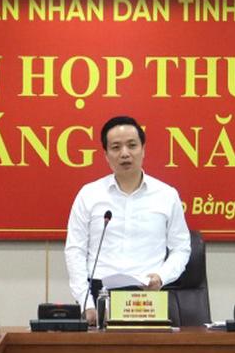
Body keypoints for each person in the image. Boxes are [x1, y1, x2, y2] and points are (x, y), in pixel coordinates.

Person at [64, 116, 191, 326]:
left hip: (148, 295)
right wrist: (87, 303)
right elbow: (75, 251)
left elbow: (181, 248)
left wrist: (161, 276)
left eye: (132, 145)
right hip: (101, 294)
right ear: (106, 155)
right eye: (116, 147)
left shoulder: (166, 195)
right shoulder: (89, 195)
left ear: (143, 149)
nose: (125, 153)